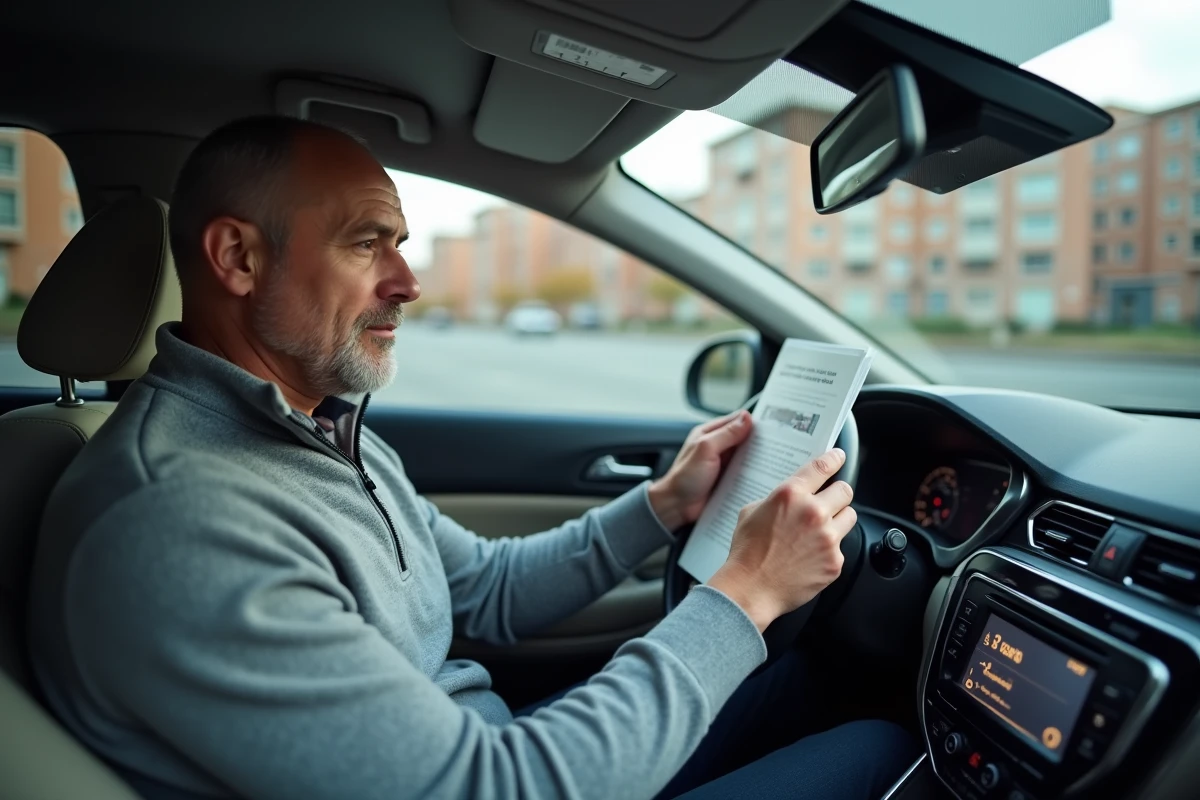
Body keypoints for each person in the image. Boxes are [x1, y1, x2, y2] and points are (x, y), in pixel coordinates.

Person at [27, 116, 917, 800]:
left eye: (403, 245)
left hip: (484, 746)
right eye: (366, 241)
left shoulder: (314, 426)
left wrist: (663, 505)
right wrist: (745, 594)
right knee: (885, 751)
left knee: (816, 684)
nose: (408, 282)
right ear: (238, 258)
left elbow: (482, 590)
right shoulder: (180, 523)